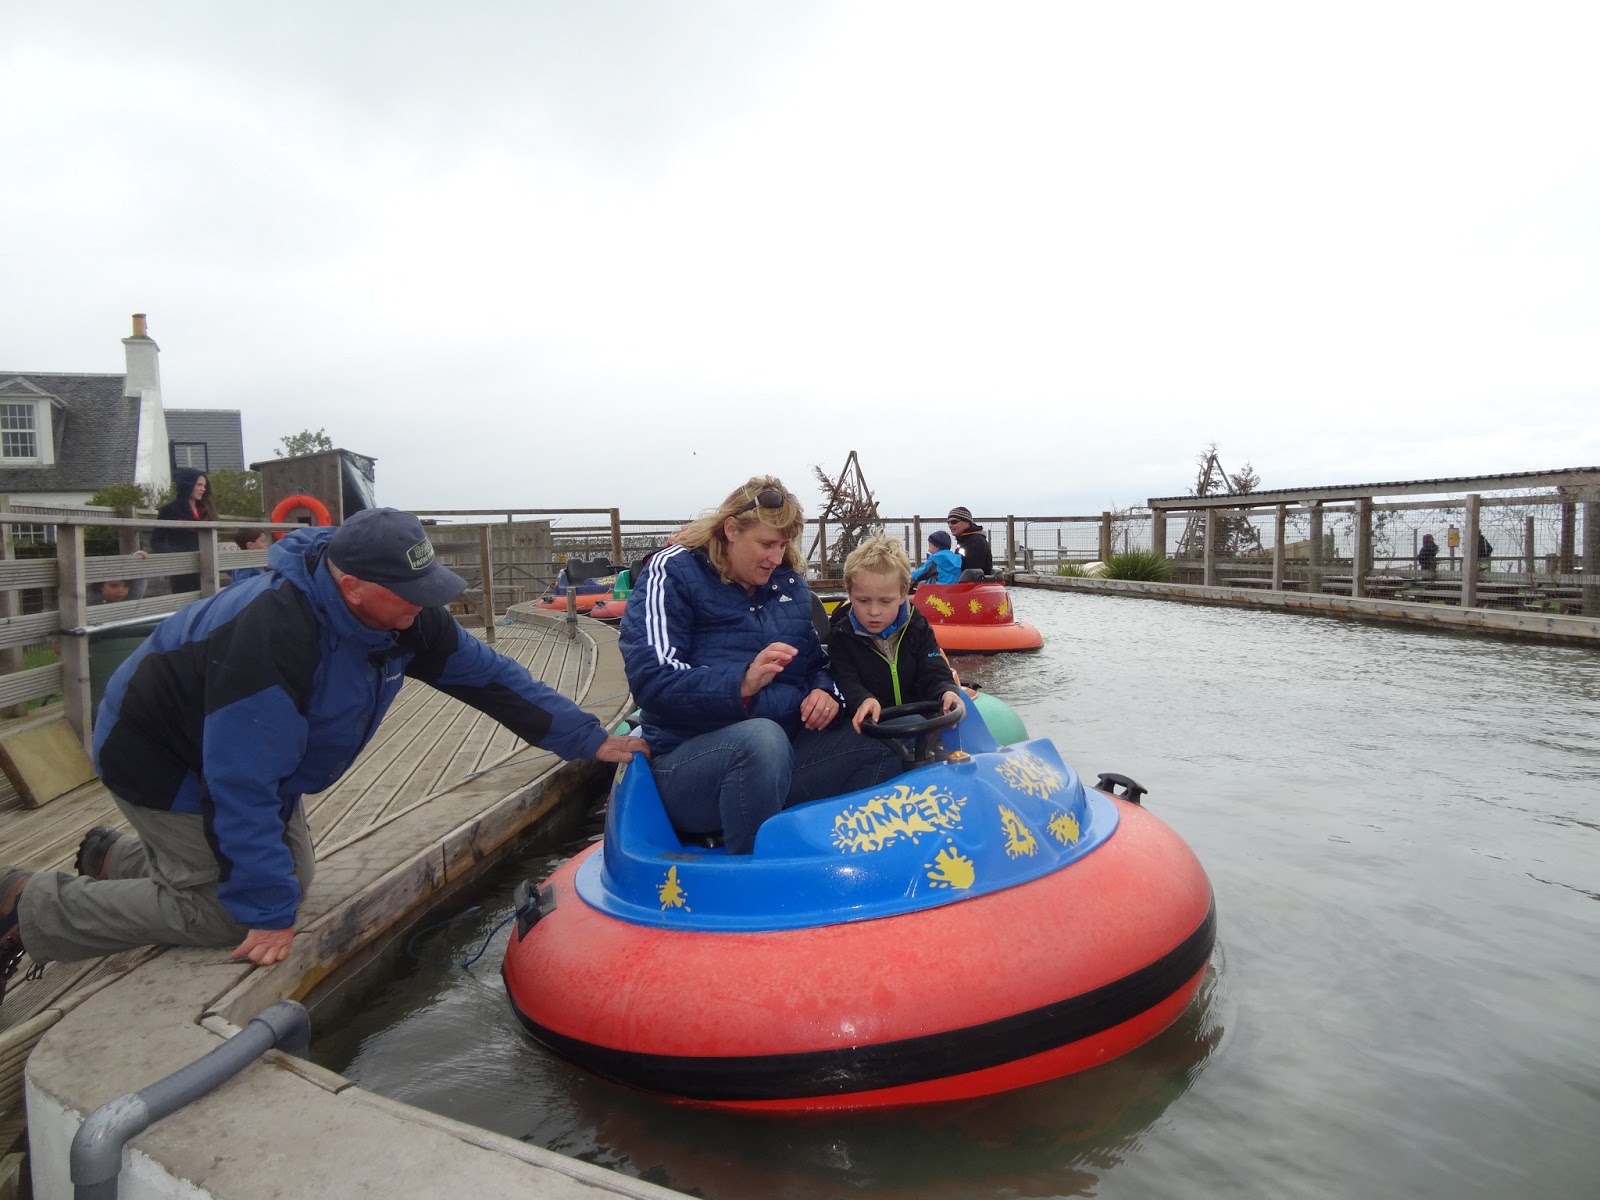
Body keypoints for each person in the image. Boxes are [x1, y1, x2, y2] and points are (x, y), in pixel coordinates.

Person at [0, 508, 647, 999]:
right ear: (354, 586)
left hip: (247, 760)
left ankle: (116, 857)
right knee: (230, 912)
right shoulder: (276, 637)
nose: (431, 603)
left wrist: (584, 737)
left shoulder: (407, 616)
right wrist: (264, 915)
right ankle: (28, 906)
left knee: (290, 881)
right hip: (161, 757)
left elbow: (491, 678)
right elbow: (241, 782)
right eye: (412, 591)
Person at [619, 476, 901, 855]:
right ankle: (754, 872)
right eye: (767, 544)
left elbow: (818, 663)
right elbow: (651, 680)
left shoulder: (791, 586)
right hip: (689, 766)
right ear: (732, 529)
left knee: (885, 740)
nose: (776, 557)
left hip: (782, 757)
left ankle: (834, 855)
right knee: (760, 741)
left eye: (783, 545)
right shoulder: (671, 572)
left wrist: (824, 691)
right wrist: (742, 683)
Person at [829, 537, 964, 736]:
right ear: (849, 593)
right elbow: (846, 680)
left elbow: (933, 668)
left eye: (885, 602)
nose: (874, 611)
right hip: (873, 728)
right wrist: (862, 699)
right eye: (863, 600)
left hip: (921, 723)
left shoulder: (917, 626)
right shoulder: (841, 636)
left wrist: (946, 690)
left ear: (903, 594)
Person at [150, 467, 218, 594]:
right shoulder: (169, 510)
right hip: (182, 566)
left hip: (207, 563)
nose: (203, 489)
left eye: (204, 485)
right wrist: (174, 556)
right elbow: (157, 540)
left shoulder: (206, 510)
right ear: (187, 485)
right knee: (184, 599)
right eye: (199, 485)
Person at [946, 506, 994, 575]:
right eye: (948, 522)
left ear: (966, 523)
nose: (950, 525)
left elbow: (973, 572)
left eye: (954, 522)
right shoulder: (964, 541)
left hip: (975, 583)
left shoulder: (976, 542)